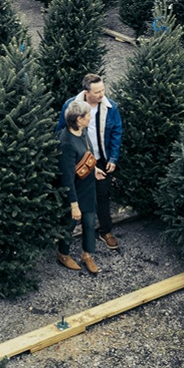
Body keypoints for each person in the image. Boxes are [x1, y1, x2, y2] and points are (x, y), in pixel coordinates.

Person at [56, 73, 122, 250]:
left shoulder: (110, 107)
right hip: (78, 159)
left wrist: (113, 158)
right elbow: (60, 130)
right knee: (76, 196)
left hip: (99, 160)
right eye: (97, 92)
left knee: (102, 195)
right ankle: (66, 242)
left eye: (103, 90)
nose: (102, 94)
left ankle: (105, 231)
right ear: (86, 92)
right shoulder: (71, 106)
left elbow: (116, 132)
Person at [57, 102, 100, 274]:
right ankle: (63, 254)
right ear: (78, 119)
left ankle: (87, 254)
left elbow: (86, 154)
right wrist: (73, 204)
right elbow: (66, 178)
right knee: (70, 223)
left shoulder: (83, 132)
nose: (90, 117)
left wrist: (94, 169)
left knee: (89, 222)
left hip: (88, 188)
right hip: (75, 191)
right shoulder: (66, 143)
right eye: (87, 115)